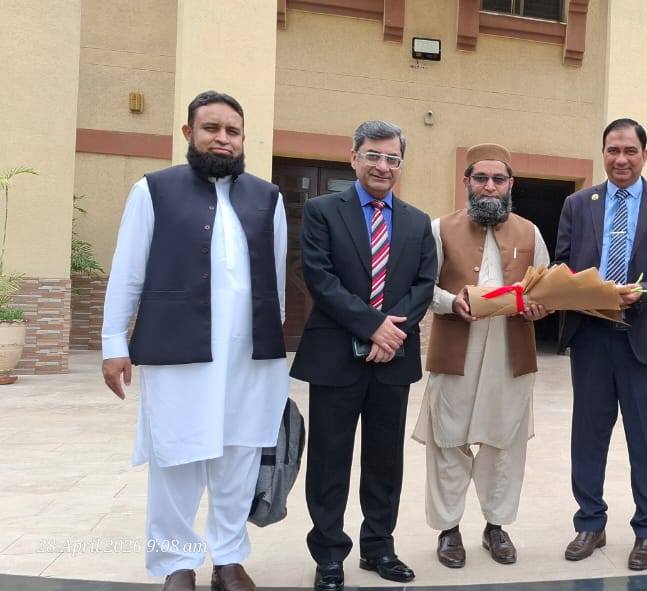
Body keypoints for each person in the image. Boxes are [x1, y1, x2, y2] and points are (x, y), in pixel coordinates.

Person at [101, 90, 288, 591]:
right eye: (211, 128)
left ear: (243, 138)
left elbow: (275, 280)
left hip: (249, 356)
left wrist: (273, 348)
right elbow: (128, 271)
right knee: (177, 457)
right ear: (189, 132)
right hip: (176, 350)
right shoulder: (153, 190)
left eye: (233, 131)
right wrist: (113, 342)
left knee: (239, 458)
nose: (222, 138)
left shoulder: (267, 197)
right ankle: (175, 564)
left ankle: (228, 559)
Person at [290, 121, 437, 591]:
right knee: (329, 460)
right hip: (334, 357)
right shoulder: (322, 211)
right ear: (353, 157)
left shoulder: (417, 221)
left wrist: (390, 333)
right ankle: (329, 554)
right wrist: (372, 325)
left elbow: (424, 284)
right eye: (373, 155)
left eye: (392, 158)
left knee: (384, 461)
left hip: (393, 359)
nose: (382, 166)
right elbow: (318, 276)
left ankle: (379, 547)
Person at [555, 118, 647, 570]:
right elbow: (561, 263)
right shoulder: (578, 204)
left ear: (644, 155)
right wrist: (584, 291)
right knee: (588, 436)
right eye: (613, 150)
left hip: (644, 339)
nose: (621, 159)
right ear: (603, 154)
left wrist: (645, 292)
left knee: (646, 441)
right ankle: (590, 522)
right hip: (591, 338)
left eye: (630, 150)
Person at [410, 143, 550, 568]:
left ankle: (496, 527)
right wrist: (450, 302)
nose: (490, 186)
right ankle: (448, 530)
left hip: (511, 351)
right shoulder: (439, 228)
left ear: (511, 185)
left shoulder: (530, 232)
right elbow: (421, 287)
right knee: (447, 440)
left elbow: (545, 287)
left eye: (498, 179)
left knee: (504, 443)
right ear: (467, 182)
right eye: (481, 178)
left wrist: (542, 307)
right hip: (457, 346)